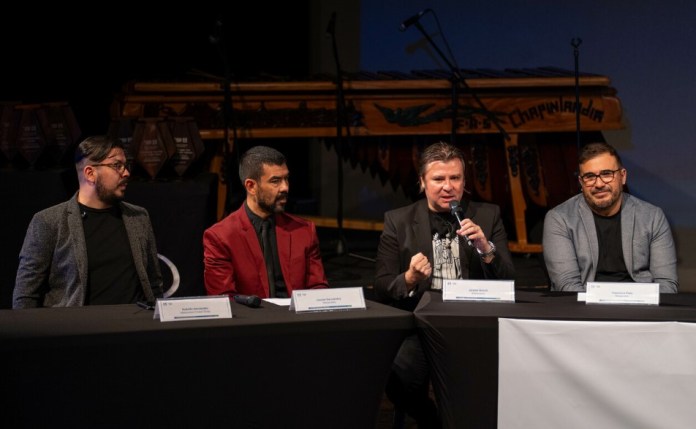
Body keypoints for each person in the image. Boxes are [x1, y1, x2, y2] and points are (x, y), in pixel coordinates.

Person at [375, 141, 515, 428]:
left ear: (464, 181)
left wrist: (486, 249)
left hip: (473, 321)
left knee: (482, 384)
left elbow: (510, 281)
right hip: (421, 322)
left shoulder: (487, 216)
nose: (448, 187)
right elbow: (382, 285)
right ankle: (434, 422)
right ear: (422, 182)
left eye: (455, 178)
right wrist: (410, 278)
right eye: (438, 179)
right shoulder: (398, 221)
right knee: (399, 381)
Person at [13, 136, 163, 308]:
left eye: (125, 165)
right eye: (116, 165)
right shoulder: (48, 221)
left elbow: (154, 283)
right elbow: (25, 296)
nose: (126, 172)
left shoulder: (138, 217)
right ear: (90, 173)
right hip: (78, 330)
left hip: (133, 328)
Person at [543, 141, 678, 293]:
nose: (599, 183)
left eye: (607, 174)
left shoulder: (652, 217)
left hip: (640, 308)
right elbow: (567, 286)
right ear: (581, 182)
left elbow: (667, 285)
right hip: (584, 309)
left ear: (622, 176)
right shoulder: (559, 218)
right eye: (589, 176)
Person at [203, 145, 328, 298]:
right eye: (275, 181)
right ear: (251, 186)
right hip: (251, 320)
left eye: (286, 179)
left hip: (297, 319)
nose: (285, 188)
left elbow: (318, 289)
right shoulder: (220, 237)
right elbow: (223, 299)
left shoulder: (304, 231)